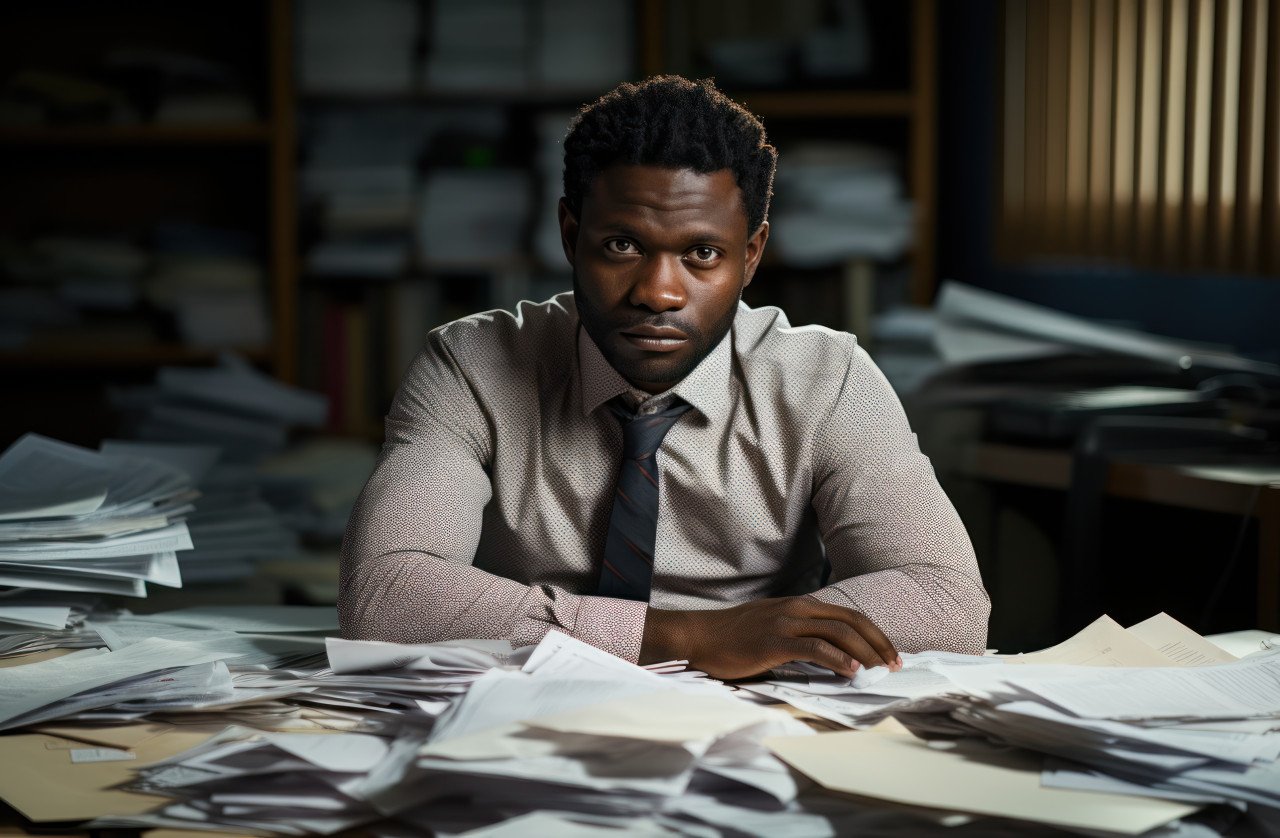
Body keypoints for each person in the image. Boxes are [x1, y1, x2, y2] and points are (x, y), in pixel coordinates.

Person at [339, 76, 989, 679]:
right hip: (527, 711)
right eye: (622, 246)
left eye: (702, 254)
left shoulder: (827, 379)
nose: (658, 292)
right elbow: (388, 595)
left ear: (751, 255)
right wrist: (693, 640)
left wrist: (772, 636)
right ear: (571, 236)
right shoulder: (470, 366)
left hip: (760, 721)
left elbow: (946, 600)